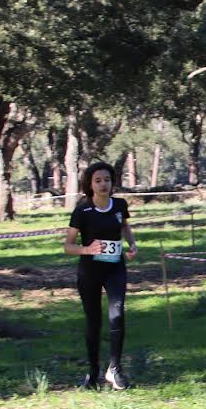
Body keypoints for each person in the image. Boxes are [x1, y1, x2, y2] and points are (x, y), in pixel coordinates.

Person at [63, 163, 137, 390]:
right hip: (90, 271)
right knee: (93, 321)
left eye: (107, 180)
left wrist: (132, 244)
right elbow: (68, 246)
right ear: (90, 184)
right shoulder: (82, 211)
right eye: (98, 180)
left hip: (115, 268)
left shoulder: (120, 205)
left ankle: (115, 368)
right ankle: (93, 372)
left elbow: (124, 227)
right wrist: (87, 249)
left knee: (118, 314)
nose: (103, 184)